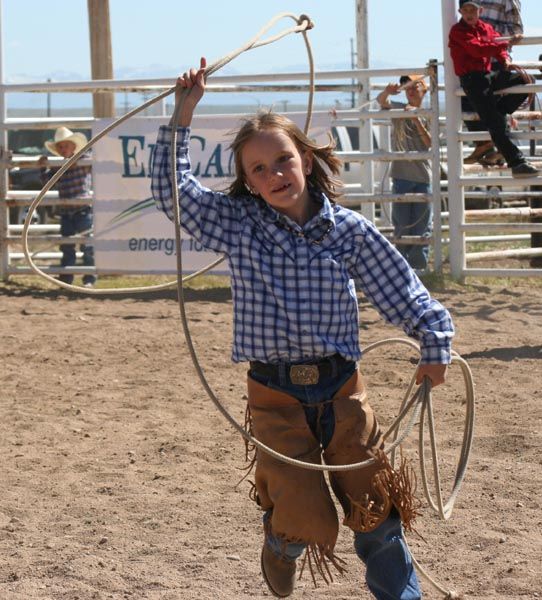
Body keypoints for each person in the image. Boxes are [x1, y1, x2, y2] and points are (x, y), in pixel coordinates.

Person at [152, 57, 455, 600]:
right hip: (274, 394)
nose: (274, 175)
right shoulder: (239, 226)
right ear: (246, 182)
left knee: (374, 509)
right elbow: (175, 193)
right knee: (303, 515)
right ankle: (282, 544)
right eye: (258, 170)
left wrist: (434, 340)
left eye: (283, 161)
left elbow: (400, 289)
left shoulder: (348, 231)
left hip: (342, 386)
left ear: (307, 161)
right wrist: (183, 113)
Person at [449, 0, 538, 177]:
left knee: (527, 80)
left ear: (479, 11)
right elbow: (477, 49)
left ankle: (495, 118)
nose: (469, 13)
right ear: (460, 11)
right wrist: (503, 46)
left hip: (486, 75)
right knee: (495, 122)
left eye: (472, 10)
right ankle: (516, 162)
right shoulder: (458, 31)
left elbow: (493, 47)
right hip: (473, 79)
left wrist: (504, 57)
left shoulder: (484, 28)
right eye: (466, 10)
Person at [376, 75, 433, 274]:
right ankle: (403, 269)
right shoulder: (399, 108)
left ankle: (418, 268)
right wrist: (387, 92)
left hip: (421, 177)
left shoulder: (428, 113)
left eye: (414, 86)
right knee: (402, 225)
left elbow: (431, 143)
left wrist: (415, 118)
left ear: (424, 91)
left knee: (421, 227)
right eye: (407, 87)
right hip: (401, 176)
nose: (410, 90)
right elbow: (381, 102)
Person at [461, 0, 524, 165]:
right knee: (468, 101)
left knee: (481, 103)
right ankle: (488, 146)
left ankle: (494, 148)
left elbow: (516, 29)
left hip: (494, 58)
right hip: (477, 60)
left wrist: (489, 40)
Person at [39, 126, 96, 287]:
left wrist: (76, 160)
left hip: (83, 209)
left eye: (66, 145)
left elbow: (93, 158)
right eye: (60, 147)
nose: (63, 149)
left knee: (87, 246)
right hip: (66, 212)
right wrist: (43, 167)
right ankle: (67, 278)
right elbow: (47, 183)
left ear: (73, 147)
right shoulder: (58, 166)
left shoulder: (84, 159)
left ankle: (89, 278)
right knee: (67, 245)